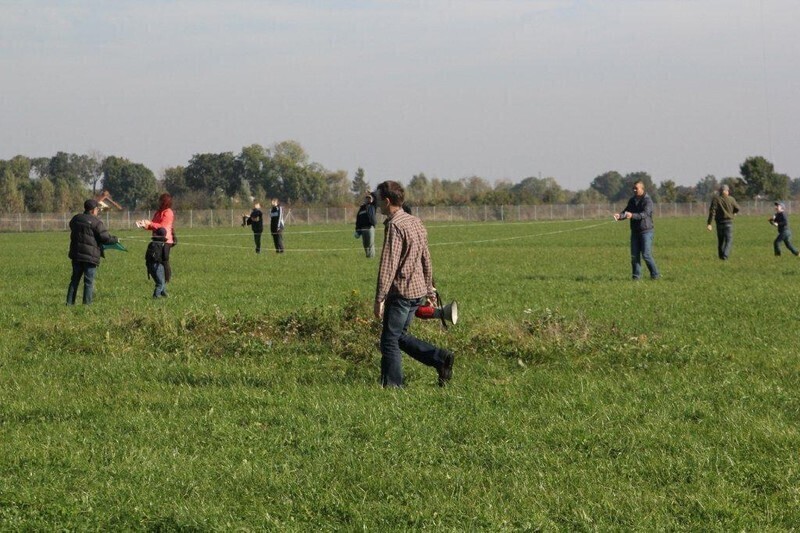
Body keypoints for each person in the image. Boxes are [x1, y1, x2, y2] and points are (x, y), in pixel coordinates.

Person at [373, 180, 454, 388]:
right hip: (416, 292)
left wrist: (380, 298)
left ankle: (393, 387)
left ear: (387, 201)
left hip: (401, 293)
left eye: (378, 198)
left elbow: (388, 265)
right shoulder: (415, 222)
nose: (376, 202)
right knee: (399, 336)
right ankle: (440, 358)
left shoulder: (395, 225)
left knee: (390, 340)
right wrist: (429, 289)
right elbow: (426, 258)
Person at [66, 199, 119, 305]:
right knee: (88, 282)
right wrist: (115, 239)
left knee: (74, 280)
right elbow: (104, 238)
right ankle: (87, 305)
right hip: (90, 256)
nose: (98, 211)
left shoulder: (76, 219)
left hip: (76, 255)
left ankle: (69, 303)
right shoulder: (96, 222)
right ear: (93, 210)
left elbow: (71, 225)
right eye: (97, 209)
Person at [613, 180, 660, 280]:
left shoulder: (647, 201)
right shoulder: (632, 200)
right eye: (633, 188)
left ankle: (655, 275)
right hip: (635, 232)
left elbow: (645, 214)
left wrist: (632, 215)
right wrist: (620, 216)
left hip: (646, 231)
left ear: (642, 189)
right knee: (634, 256)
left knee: (646, 255)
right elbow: (626, 212)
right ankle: (636, 277)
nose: (634, 190)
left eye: (636, 188)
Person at [138, 193, 176, 280]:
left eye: (161, 200)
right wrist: (145, 225)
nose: (159, 202)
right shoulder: (158, 213)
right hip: (156, 239)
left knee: (164, 260)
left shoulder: (168, 213)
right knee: (156, 259)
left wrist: (150, 223)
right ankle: (160, 279)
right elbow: (153, 225)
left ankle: (166, 279)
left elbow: (162, 226)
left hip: (166, 240)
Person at [706, 184, 740, 260]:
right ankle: (725, 255)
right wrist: (734, 212)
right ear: (726, 191)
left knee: (720, 241)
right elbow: (737, 208)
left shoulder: (716, 199)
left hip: (719, 223)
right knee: (729, 240)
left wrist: (709, 223)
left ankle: (721, 256)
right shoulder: (731, 199)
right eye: (727, 190)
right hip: (728, 222)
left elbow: (712, 211)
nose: (728, 192)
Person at [145, 227, 170, 298]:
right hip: (158, 264)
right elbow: (165, 257)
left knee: (161, 281)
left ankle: (164, 294)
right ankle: (156, 296)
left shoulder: (151, 243)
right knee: (160, 283)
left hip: (149, 264)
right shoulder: (163, 244)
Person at [354, 192, 377, 258]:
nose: (368, 199)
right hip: (363, 228)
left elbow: (376, 198)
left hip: (370, 227)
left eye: (369, 198)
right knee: (365, 244)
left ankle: (371, 257)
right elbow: (358, 220)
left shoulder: (373, 206)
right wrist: (357, 230)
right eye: (367, 198)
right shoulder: (361, 208)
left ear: (372, 199)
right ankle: (368, 256)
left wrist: (371, 193)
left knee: (370, 243)